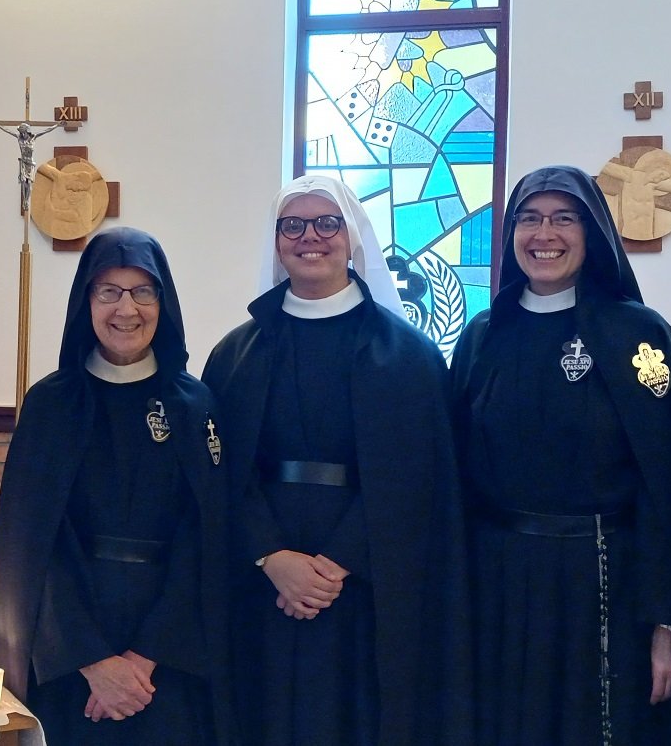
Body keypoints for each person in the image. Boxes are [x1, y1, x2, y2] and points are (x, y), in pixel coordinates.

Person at [447, 165, 671, 745]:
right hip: (496, 585)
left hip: (606, 585)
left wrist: (666, 626)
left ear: (592, 232)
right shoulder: (483, 334)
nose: (543, 233)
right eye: (528, 218)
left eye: (563, 218)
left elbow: (667, 492)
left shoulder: (639, 337)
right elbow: (452, 478)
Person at [201, 175, 471, 745]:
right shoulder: (235, 354)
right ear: (276, 242)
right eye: (292, 226)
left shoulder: (408, 356)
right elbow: (219, 472)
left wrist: (335, 564)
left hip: (366, 585)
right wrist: (271, 555)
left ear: (353, 239)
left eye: (327, 223)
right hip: (265, 584)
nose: (310, 238)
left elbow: (417, 478)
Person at [0, 227, 233, 745]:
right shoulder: (50, 405)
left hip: (169, 654)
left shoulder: (194, 405)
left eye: (142, 291)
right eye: (110, 292)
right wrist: (92, 660)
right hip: (72, 654)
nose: (127, 309)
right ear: (87, 302)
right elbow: (29, 546)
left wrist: (146, 657)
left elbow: (206, 537)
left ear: (162, 302)